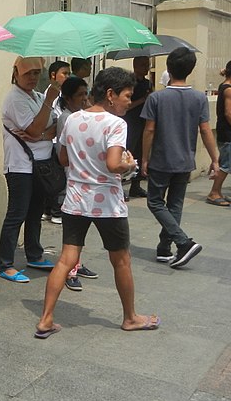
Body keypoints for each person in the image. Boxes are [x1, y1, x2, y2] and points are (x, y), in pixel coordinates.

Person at [35, 67, 160, 339]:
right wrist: (127, 163)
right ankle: (130, 317)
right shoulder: (116, 124)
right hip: (107, 204)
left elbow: (64, 160)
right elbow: (114, 164)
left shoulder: (72, 119)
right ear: (111, 94)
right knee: (122, 261)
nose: (129, 101)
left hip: (75, 200)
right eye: (127, 95)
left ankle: (45, 319)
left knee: (67, 259)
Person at [141, 47, 220, 268]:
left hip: (161, 159)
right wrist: (215, 158)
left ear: (168, 68)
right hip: (185, 160)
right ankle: (164, 248)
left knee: (155, 201)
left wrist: (144, 158)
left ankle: (183, 242)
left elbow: (149, 131)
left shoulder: (156, 97)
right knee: (175, 204)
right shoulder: (198, 98)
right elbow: (205, 130)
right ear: (191, 69)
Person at [0, 56, 59, 283]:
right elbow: (34, 129)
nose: (33, 78)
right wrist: (47, 109)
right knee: (17, 214)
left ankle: (34, 254)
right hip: (19, 166)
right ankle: (5, 264)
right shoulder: (15, 99)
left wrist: (41, 133)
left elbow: (53, 127)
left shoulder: (37, 96)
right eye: (28, 73)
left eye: (36, 73)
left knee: (35, 213)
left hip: (40, 164)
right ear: (16, 73)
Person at [54, 77, 99, 291]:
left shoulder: (82, 116)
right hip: (71, 179)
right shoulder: (67, 118)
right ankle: (69, 270)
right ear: (69, 97)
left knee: (80, 229)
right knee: (72, 231)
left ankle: (76, 263)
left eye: (85, 93)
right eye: (80, 95)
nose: (84, 98)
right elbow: (62, 153)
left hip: (84, 180)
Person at [43, 60, 71, 224]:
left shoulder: (62, 95)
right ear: (53, 75)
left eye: (68, 73)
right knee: (57, 179)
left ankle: (49, 210)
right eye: (64, 73)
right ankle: (55, 211)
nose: (67, 77)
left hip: (59, 138)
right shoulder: (51, 96)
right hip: (54, 141)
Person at [124, 57, 153, 199]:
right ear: (135, 65)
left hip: (144, 122)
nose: (146, 68)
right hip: (130, 122)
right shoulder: (129, 82)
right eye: (143, 65)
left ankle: (136, 185)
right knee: (127, 152)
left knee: (140, 153)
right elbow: (127, 105)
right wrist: (143, 99)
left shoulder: (147, 83)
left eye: (147, 65)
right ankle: (121, 184)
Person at [206, 61, 231, 206]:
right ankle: (214, 192)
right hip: (227, 133)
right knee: (226, 165)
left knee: (225, 161)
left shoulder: (224, 86)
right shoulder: (228, 89)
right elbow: (229, 113)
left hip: (224, 131)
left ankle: (217, 192)